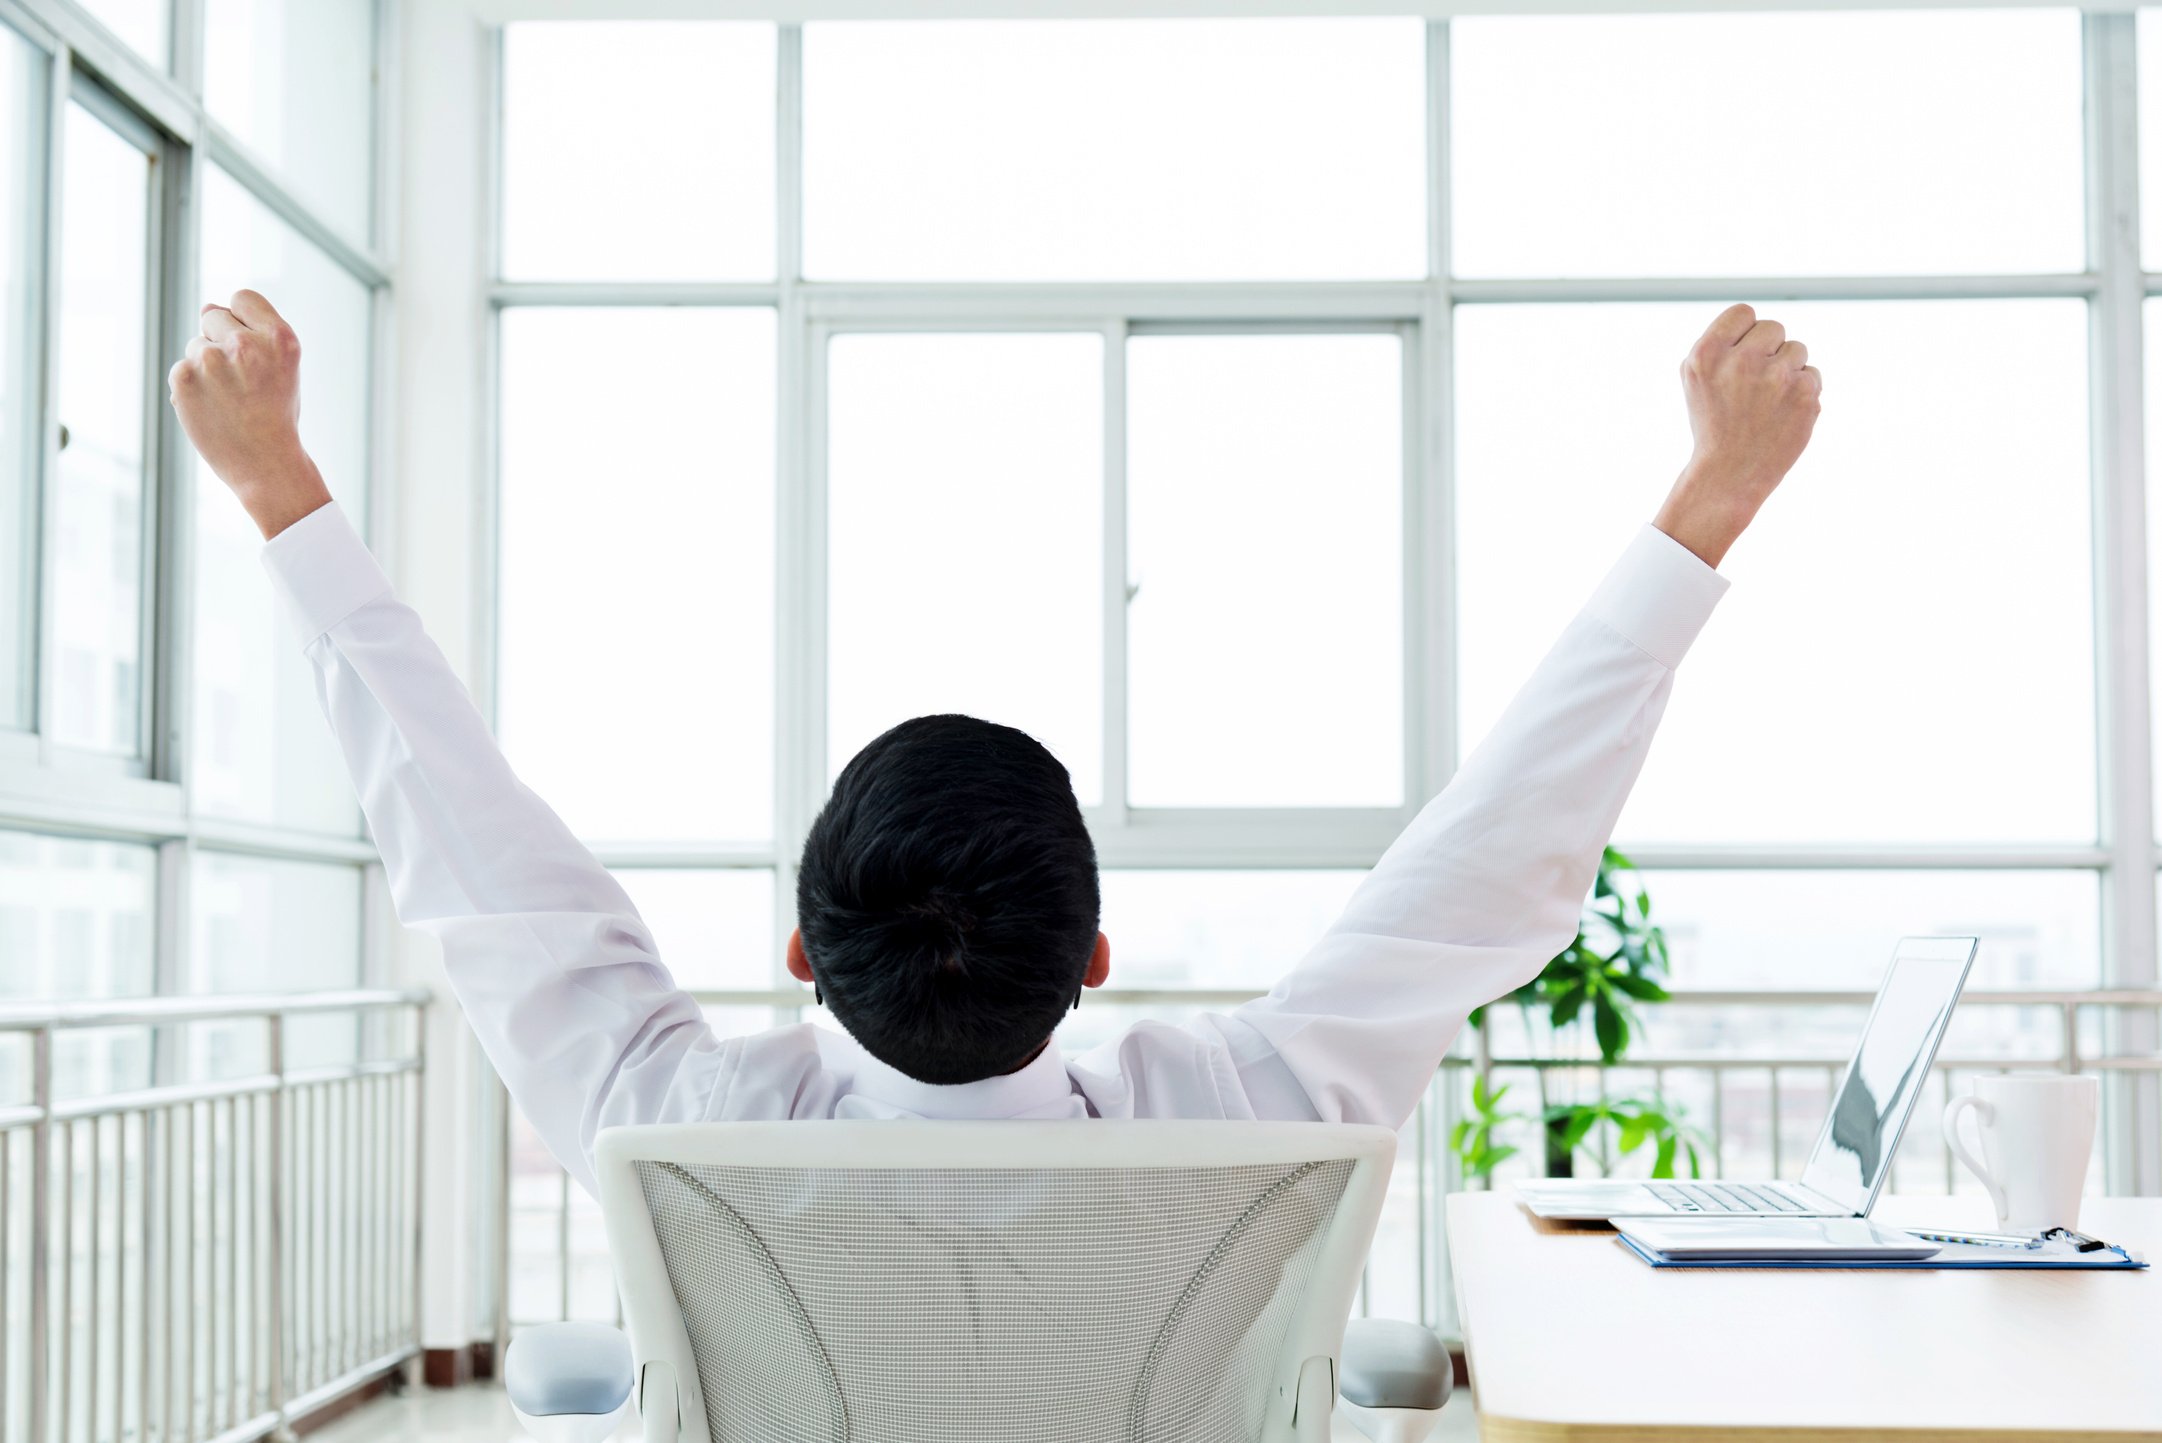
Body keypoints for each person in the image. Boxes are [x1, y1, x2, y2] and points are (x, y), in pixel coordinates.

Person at [169, 292, 1820, 1197]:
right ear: (1093, 957)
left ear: (804, 952)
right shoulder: (1239, 1115)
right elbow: (1487, 869)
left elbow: (469, 848)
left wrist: (280, 492)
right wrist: (1708, 501)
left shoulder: (673, 1125)